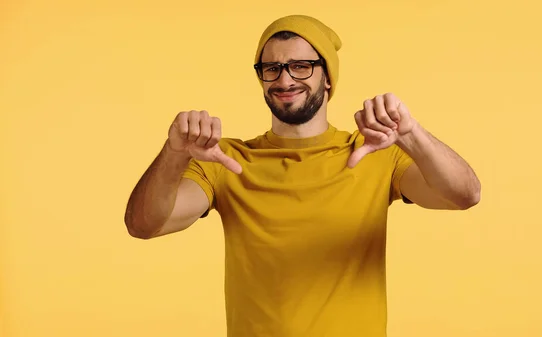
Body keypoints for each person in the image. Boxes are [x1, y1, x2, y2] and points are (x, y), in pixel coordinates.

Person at [124, 14, 481, 337]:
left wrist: (411, 135)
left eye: (301, 66)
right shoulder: (225, 160)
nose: (284, 79)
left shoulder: (373, 152)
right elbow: (144, 224)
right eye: (272, 68)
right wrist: (174, 152)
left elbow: (464, 195)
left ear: (328, 77)